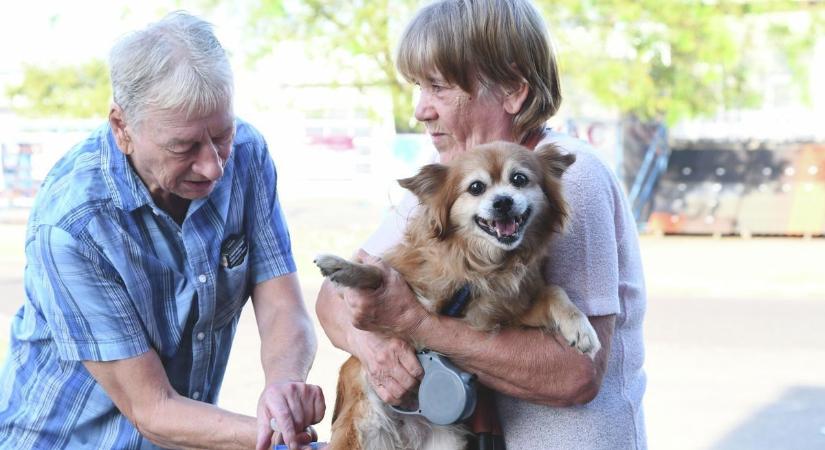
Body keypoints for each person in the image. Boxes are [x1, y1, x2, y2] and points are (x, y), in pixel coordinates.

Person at [315, 0, 647, 449]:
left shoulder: (569, 174)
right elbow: (332, 297)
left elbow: (575, 373)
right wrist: (376, 347)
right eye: (418, 86)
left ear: (512, 89)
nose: (420, 110)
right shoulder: (452, 179)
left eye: (437, 87)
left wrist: (417, 325)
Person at [0, 12, 324, 450]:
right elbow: (152, 409)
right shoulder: (72, 222)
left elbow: (283, 306)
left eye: (221, 135)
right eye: (183, 146)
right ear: (122, 128)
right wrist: (277, 438)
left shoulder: (246, 154)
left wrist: (283, 388)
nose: (213, 165)